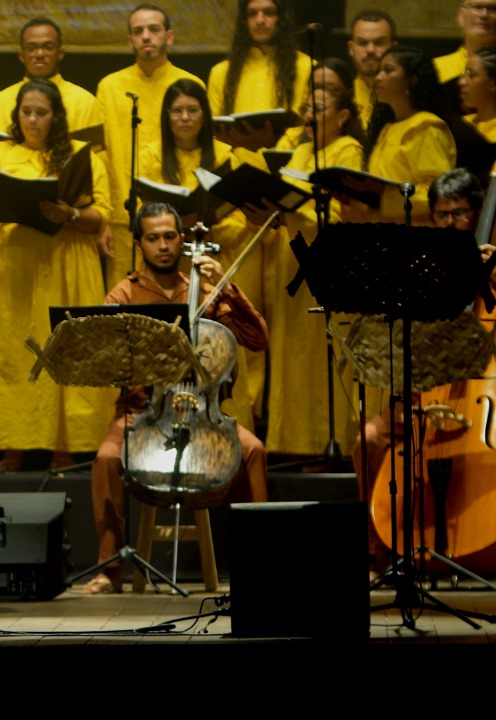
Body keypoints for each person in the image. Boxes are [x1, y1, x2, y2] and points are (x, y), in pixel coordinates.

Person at [85, 202, 268, 594]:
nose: (163, 245)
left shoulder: (204, 291)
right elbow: (100, 356)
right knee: (105, 459)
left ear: (182, 240)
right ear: (140, 243)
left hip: (205, 412)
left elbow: (258, 339)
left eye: (170, 236)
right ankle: (109, 567)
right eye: (153, 238)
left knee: (254, 452)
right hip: (143, 412)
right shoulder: (124, 294)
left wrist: (228, 288)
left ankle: (260, 563)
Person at [0, 79, 114, 471]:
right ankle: (13, 446)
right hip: (11, 268)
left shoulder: (82, 155)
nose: (32, 120)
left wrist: (72, 214)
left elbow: (102, 215)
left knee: (63, 348)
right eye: (26, 112)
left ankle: (65, 446)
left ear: (55, 117)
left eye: (41, 113)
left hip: (65, 261)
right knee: (12, 354)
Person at [353, 167, 495, 571]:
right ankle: (379, 550)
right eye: (441, 215)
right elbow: (399, 343)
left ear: (478, 212)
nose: (450, 224)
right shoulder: (421, 270)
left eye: (460, 214)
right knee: (368, 440)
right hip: (425, 401)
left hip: (485, 400)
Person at [138, 78, 263, 427]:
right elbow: (142, 212)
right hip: (167, 265)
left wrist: (212, 226)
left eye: (192, 110)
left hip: (213, 261)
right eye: (177, 110)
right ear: (167, 116)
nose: (185, 117)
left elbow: (242, 213)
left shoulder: (224, 156)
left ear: (204, 116)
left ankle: (226, 422)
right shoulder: (150, 155)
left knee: (220, 342)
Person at [264, 67, 365, 458]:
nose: (309, 115)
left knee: (324, 356)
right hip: (293, 262)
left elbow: (343, 216)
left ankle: (330, 444)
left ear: (342, 116)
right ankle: (292, 444)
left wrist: (296, 206)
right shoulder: (301, 151)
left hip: (328, 266)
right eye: (306, 108)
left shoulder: (348, 151)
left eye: (319, 108)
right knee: (292, 355)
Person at [96, 3, 203, 293]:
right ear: (130, 40)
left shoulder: (189, 84)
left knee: (179, 301)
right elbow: (101, 157)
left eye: (153, 29)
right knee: (124, 307)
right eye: (138, 31)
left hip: (177, 223)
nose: (146, 36)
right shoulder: (110, 86)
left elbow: (204, 149)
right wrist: (103, 219)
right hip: (123, 220)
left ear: (169, 36)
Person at [344, 46, 457, 225]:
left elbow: (441, 195)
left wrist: (383, 194)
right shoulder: (387, 129)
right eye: (380, 70)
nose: (378, 77)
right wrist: (354, 195)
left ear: (411, 80)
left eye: (388, 70)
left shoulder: (426, 128)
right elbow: (379, 195)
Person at [206, 0, 310, 151]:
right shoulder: (220, 72)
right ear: (244, 21)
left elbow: (305, 126)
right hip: (235, 167)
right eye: (252, 14)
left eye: (268, 13)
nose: (260, 20)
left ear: (280, 18)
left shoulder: (306, 67)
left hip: (284, 166)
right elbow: (212, 131)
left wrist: (272, 148)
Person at [0, 17, 104, 147]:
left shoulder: (85, 102)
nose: (40, 54)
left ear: (60, 53)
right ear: (21, 55)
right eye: (31, 47)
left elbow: (97, 157)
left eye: (48, 47)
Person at [347, 9, 397, 129]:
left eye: (379, 43)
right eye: (363, 43)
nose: (370, 50)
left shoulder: (407, 99)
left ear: (394, 49)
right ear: (351, 48)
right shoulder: (339, 96)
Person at [435, 0, 496, 86]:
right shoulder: (437, 68)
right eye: (477, 7)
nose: (484, 14)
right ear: (461, 16)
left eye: (493, 9)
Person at [459, 46, 496, 141]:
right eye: (464, 74)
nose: (461, 82)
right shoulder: (462, 124)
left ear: (493, 83)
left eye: (471, 75)